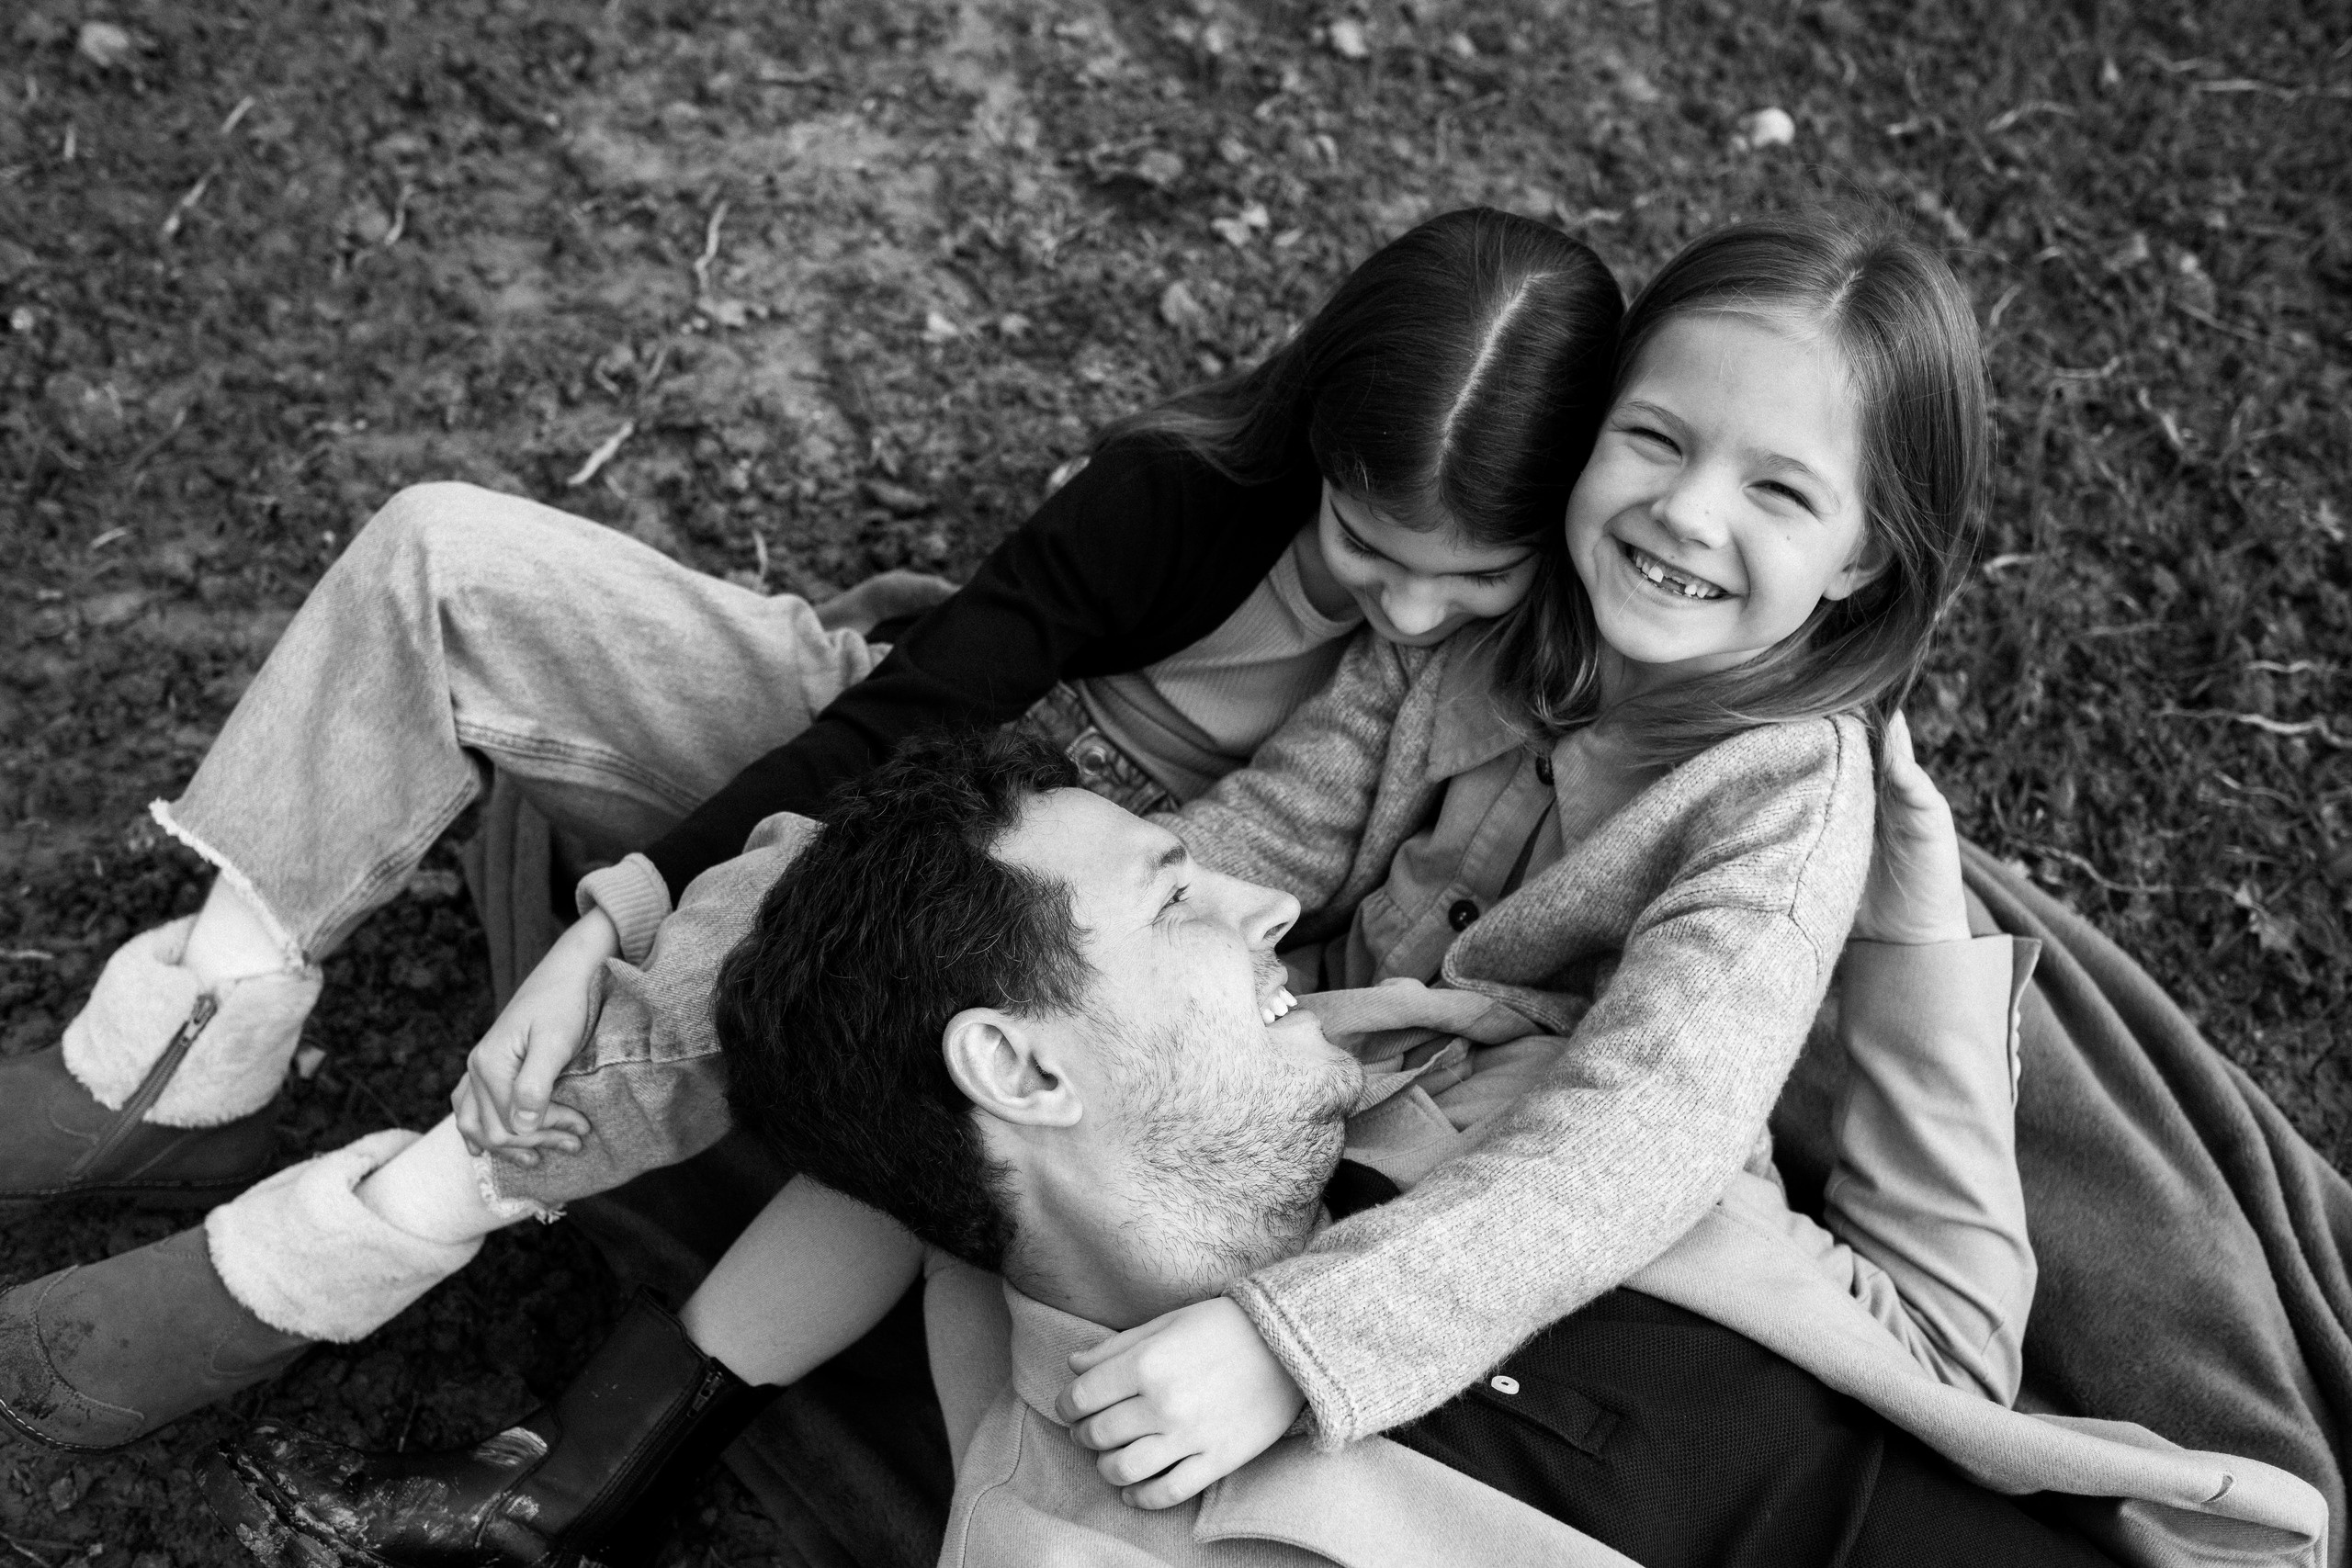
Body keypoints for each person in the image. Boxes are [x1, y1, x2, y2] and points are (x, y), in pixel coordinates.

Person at [181, 206, 1998, 1558]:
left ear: (1864, 563)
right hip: (1306, 1053)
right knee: (995, 1034)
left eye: (1780, 493)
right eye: (1658, 441)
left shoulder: (1777, 801)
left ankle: (615, 1450)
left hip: (1460, 1178)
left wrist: (1293, 1345)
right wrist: (1095, 944)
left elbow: (1645, 1125)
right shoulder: (1481, 635)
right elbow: (1263, 830)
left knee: (1048, 1183)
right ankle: (594, 1454)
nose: (1688, 513)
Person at [0, 208, 1620, 1442]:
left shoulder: (1535, 657)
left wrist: (645, 923)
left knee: (838, 931)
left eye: (1470, 575)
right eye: (1367, 542)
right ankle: (194, 1051)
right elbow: (905, 723)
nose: (1414, 608)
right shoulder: (1181, 494)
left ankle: (334, 1254)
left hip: (1085, 897)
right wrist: (615, 910)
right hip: (940, 737)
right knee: (446, 553)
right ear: (1320, 443)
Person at [206, 732, 2325, 1567]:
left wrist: (1922, 934)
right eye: (1168, 894)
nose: (1258, 899)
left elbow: (1933, 1347)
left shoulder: (1482, 1120)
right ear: (1019, 1066)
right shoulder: (1099, 1545)